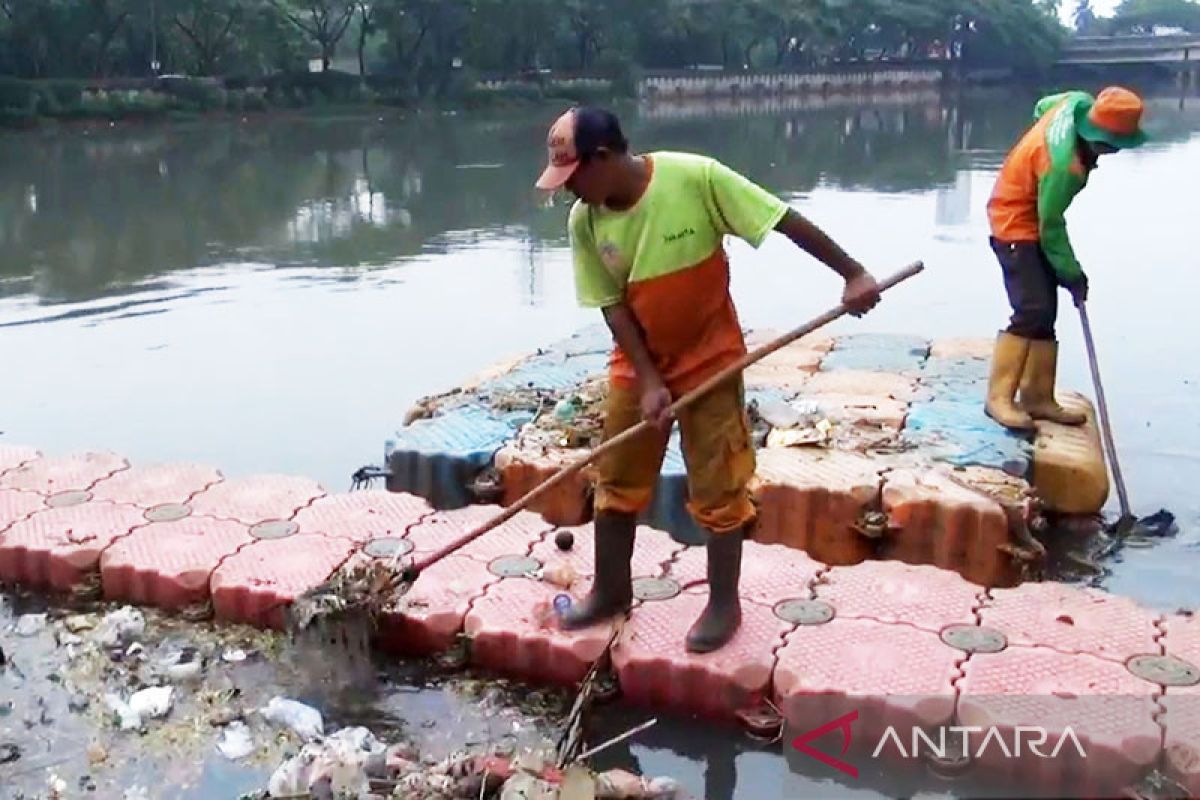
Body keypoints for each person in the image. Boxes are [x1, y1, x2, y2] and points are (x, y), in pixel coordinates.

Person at [533, 106, 882, 653]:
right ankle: (610, 591)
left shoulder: (695, 177)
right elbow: (613, 307)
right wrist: (649, 380)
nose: (571, 192)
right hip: (638, 362)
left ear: (602, 160)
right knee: (617, 481)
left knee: (719, 486)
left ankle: (724, 603)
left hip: (711, 358)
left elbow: (782, 219)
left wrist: (852, 273)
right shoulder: (586, 221)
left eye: (573, 177)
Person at [985, 86, 1147, 431]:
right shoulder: (1063, 167)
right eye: (1109, 147)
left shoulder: (1074, 103)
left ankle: (1038, 397)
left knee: (1046, 311)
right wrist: (1072, 273)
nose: (1110, 154)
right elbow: (1051, 226)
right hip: (1015, 222)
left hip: (1034, 216)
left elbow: (1040, 105)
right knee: (1031, 309)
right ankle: (998, 398)